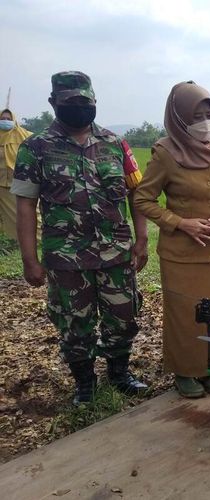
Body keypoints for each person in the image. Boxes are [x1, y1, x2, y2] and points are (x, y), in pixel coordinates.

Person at [11, 71, 149, 405]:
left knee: (124, 317)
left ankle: (119, 373)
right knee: (74, 324)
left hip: (115, 253)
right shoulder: (36, 148)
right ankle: (84, 383)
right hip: (66, 258)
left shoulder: (116, 145)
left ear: (95, 102)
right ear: (54, 103)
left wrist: (142, 237)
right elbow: (26, 205)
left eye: (85, 101)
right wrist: (30, 259)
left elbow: (137, 193)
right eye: (70, 102)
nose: (79, 107)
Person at [134, 81, 210, 398]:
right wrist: (182, 223)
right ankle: (185, 371)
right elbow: (143, 200)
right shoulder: (165, 153)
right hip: (182, 255)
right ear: (179, 116)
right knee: (186, 317)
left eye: (209, 113)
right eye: (196, 115)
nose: (205, 121)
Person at [0, 109, 32, 240]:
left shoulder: (25, 136)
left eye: (9, 119)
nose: (5, 122)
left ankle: (31, 241)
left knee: (24, 215)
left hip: (19, 184)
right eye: (3, 119)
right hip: (1, 185)